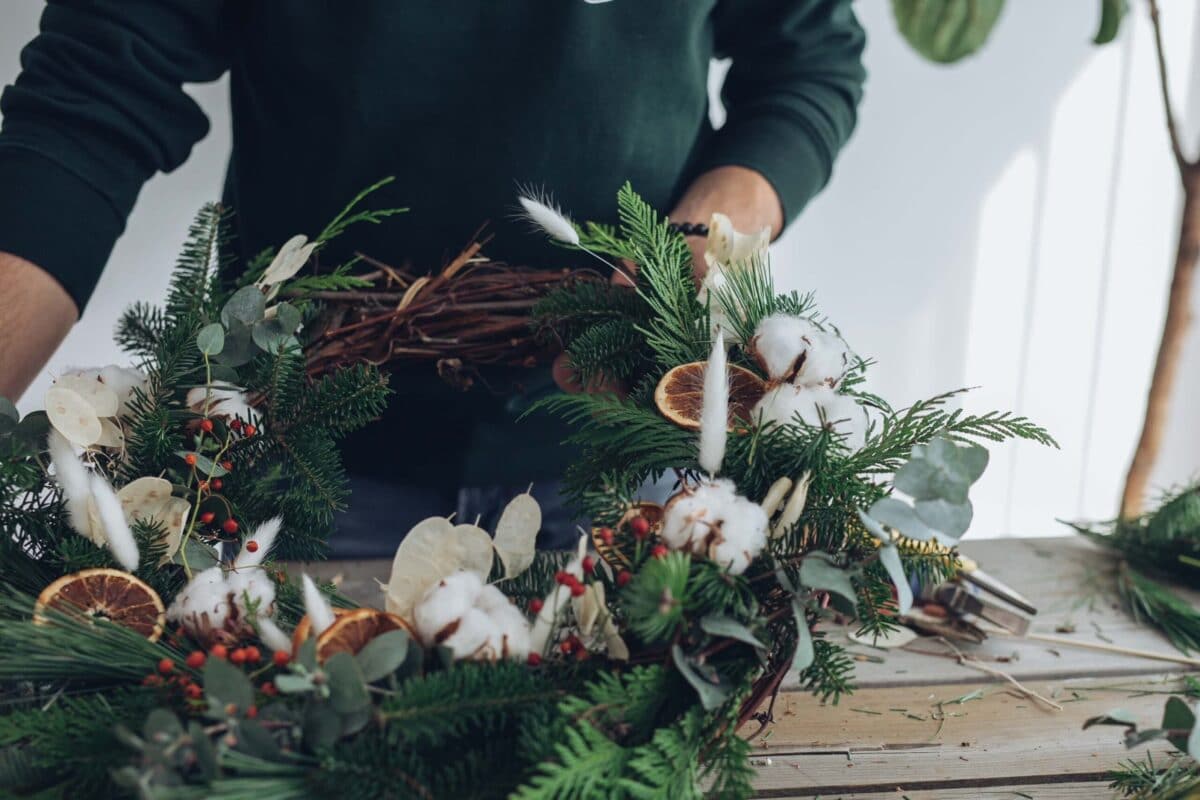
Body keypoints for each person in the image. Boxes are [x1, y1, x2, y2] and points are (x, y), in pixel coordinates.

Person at [0, 1, 865, 553]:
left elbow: (805, 58)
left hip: (637, 450)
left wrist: (707, 240)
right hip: (301, 463)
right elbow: (95, 95)